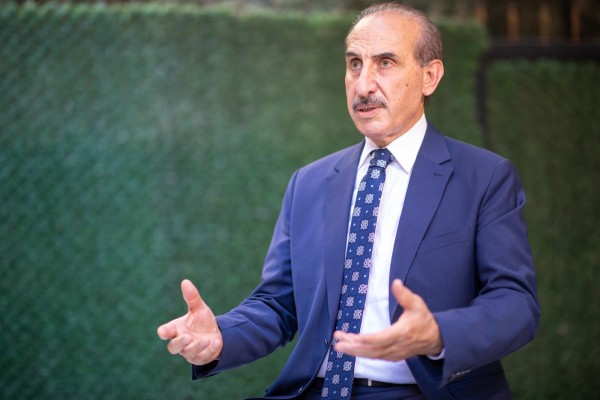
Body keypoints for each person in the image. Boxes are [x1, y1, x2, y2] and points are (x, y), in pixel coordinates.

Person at [157, 2, 540, 399]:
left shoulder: (484, 178)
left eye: (385, 63)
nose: (363, 85)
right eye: (355, 64)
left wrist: (438, 334)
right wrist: (220, 337)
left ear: (430, 76)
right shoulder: (309, 183)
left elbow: (516, 304)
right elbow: (280, 304)